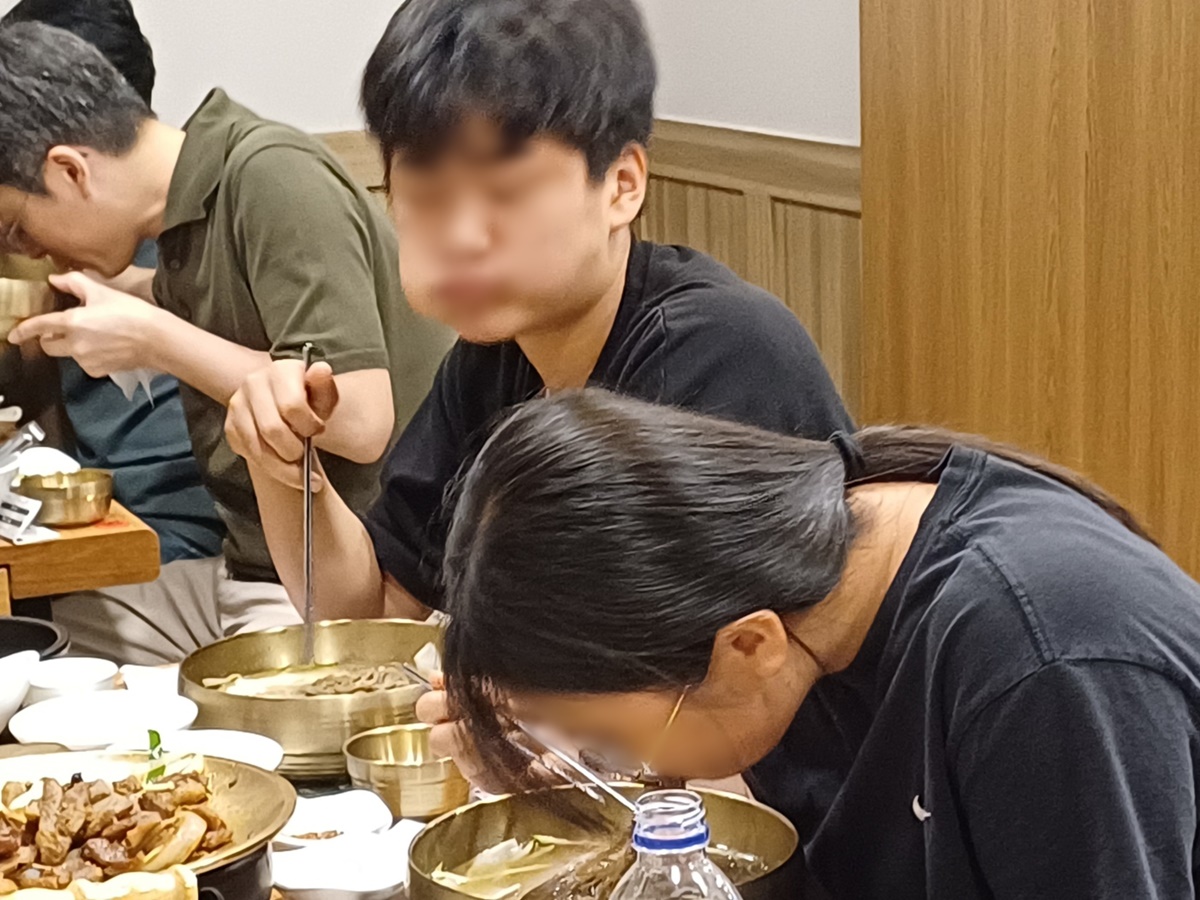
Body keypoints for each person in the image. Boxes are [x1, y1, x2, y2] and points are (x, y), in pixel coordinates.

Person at [225, 0, 853, 622]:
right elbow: (374, 609)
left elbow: (697, 663)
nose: (463, 238)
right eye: (428, 197)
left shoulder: (715, 355)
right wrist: (281, 464)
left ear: (622, 185)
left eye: (506, 193)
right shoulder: (492, 363)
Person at [434, 390, 1200, 899]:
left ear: (747, 647)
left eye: (609, 744)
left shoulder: (1043, 666)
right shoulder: (799, 575)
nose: (626, 767)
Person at [1, 21, 451, 631]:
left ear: (69, 171)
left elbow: (359, 419)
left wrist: (153, 337)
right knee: (39, 633)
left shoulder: (271, 175)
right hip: (242, 567)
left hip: (354, 584)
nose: (32, 251)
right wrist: (128, 300)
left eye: (18, 229)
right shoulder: (187, 217)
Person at [0, 0, 227, 664]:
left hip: (188, 552)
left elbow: (341, 410)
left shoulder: (205, 234)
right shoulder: (61, 248)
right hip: (111, 537)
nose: (27, 246)